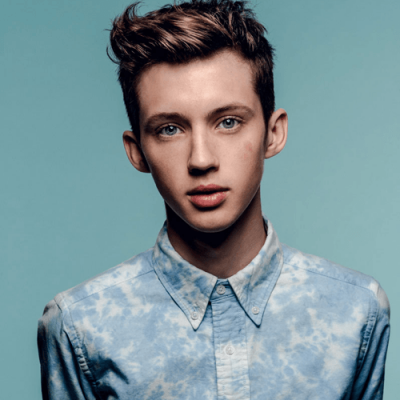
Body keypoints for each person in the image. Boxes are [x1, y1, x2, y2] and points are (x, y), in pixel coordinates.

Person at [37, 1, 390, 399]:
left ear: (273, 133)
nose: (201, 159)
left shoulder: (355, 310)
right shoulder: (80, 326)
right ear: (137, 152)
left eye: (228, 122)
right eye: (170, 129)